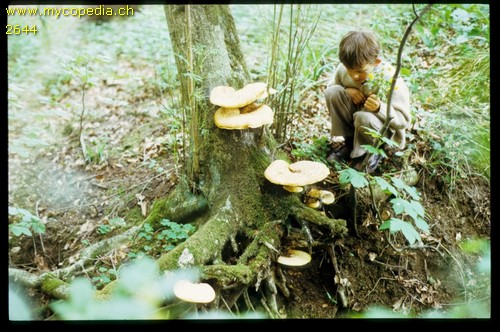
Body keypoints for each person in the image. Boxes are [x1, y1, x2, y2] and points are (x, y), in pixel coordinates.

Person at [324, 30, 411, 172]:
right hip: (355, 124)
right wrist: (347, 90)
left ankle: (371, 153)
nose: (354, 75)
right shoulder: (345, 69)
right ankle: (350, 143)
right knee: (333, 93)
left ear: (376, 62)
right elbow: (330, 88)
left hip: (381, 130)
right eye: (349, 69)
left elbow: (403, 121)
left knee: (363, 117)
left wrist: (379, 108)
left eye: (361, 70)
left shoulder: (390, 78)